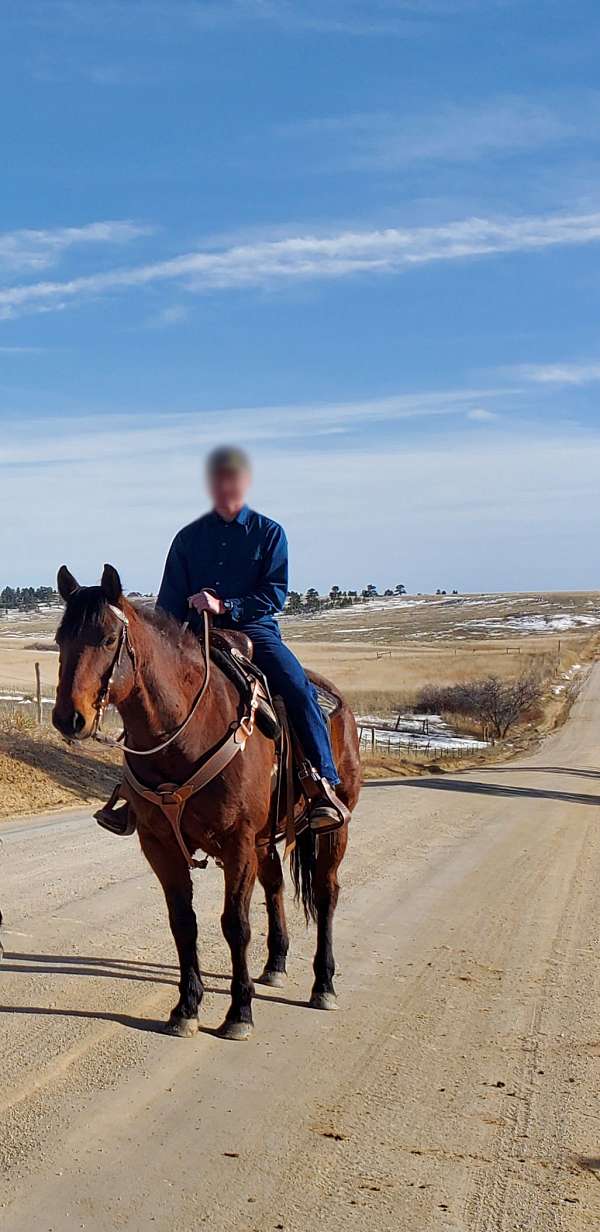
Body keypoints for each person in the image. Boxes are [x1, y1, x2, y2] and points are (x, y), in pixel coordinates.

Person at [96, 445, 343, 836]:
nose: (226, 486)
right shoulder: (188, 539)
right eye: (219, 480)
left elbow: (275, 594)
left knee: (296, 687)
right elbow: (168, 605)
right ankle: (132, 792)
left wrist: (224, 604)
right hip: (191, 635)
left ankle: (321, 786)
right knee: (151, 694)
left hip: (254, 631)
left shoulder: (269, 533)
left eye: (234, 479)